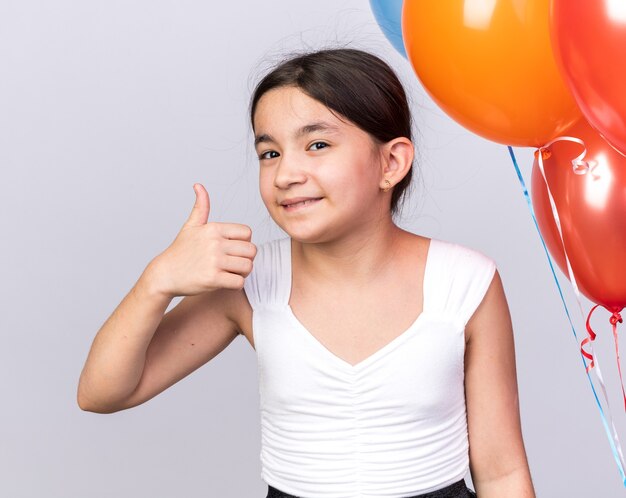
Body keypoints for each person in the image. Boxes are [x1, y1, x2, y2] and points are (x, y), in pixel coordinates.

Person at [77, 47, 535, 498]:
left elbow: (502, 475)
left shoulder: (465, 282)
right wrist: (156, 282)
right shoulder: (250, 282)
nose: (285, 174)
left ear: (391, 163)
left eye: (317, 145)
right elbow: (102, 392)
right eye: (269, 153)